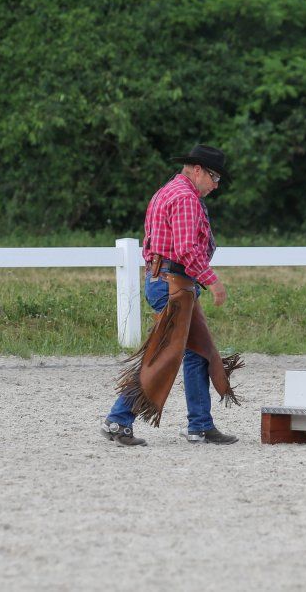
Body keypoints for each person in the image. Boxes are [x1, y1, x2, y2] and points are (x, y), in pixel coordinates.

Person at [100, 144, 242, 447]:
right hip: (173, 283)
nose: (216, 186)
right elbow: (187, 249)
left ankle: (200, 425)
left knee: (196, 352)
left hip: (167, 281)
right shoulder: (185, 199)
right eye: (215, 177)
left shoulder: (167, 192)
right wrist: (212, 281)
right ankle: (119, 418)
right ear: (198, 170)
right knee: (166, 354)